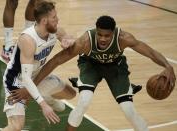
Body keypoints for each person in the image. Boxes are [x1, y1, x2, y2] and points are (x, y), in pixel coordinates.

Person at [10, 15, 176, 131]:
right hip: (90, 65)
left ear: (114, 33)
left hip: (115, 67)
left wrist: (168, 66)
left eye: (107, 36)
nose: (102, 39)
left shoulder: (124, 38)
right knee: (84, 101)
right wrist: (32, 86)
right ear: (96, 31)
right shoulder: (85, 41)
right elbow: (55, 61)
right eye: (100, 34)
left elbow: (151, 52)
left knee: (128, 110)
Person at [2, 1, 76, 131]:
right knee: (16, 127)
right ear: (44, 21)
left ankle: (46, 97)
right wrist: (43, 105)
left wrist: (68, 40)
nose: (57, 20)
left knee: (71, 94)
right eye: (54, 18)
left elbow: (66, 37)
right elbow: (26, 79)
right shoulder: (28, 40)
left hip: (37, 76)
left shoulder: (56, 32)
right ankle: (44, 99)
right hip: (17, 82)